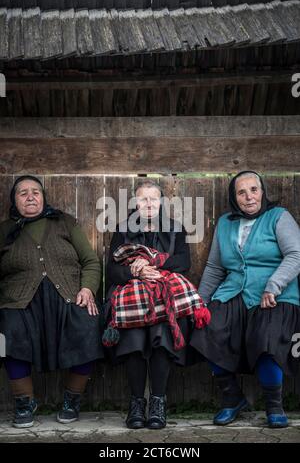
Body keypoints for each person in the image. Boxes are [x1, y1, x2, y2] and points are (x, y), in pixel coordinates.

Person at [190, 170, 300, 428]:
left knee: (267, 336)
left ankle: (274, 405)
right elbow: (215, 268)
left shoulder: (279, 217)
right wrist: (200, 303)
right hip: (234, 292)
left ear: (262, 191)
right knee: (207, 327)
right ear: (234, 197)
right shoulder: (226, 223)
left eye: (254, 189)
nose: (249, 196)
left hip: (276, 294)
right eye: (242, 192)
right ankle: (231, 399)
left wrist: (273, 286)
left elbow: (295, 255)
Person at [0, 175, 103, 428]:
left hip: (68, 295)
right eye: (23, 193)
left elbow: (90, 261)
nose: (30, 196)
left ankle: (72, 399)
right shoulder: (4, 230)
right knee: (7, 334)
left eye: (35, 191)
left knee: (88, 327)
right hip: (17, 301)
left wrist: (87, 288)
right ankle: (25, 403)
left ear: (43, 197)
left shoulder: (64, 223)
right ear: (14, 201)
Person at [106, 179, 194, 430]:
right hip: (131, 297)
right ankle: (136, 402)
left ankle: (157, 401)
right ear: (135, 203)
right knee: (133, 335)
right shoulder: (123, 230)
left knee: (162, 334)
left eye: (153, 198)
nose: (148, 203)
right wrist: (135, 274)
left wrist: (150, 264)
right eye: (142, 199)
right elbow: (112, 270)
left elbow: (183, 262)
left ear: (161, 202)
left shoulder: (175, 230)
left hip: (164, 297)